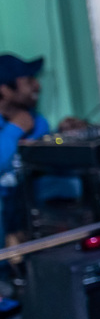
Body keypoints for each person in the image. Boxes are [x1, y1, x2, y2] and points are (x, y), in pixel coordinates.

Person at [0, 54, 86, 244]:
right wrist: (14, 130)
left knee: (69, 185)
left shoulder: (37, 122)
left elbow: (45, 164)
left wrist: (61, 138)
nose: (37, 86)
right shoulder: (19, 125)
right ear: (5, 90)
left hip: (26, 211)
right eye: (29, 80)